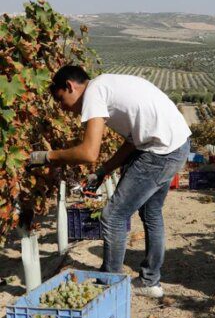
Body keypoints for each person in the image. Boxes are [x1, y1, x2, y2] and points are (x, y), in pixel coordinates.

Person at [29, 65, 191, 298]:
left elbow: (88, 152)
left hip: (160, 152)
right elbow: (133, 141)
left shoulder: (94, 92)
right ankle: (150, 282)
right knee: (151, 213)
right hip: (176, 143)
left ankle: (110, 284)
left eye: (61, 99)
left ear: (70, 86)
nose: (64, 109)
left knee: (113, 216)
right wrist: (105, 170)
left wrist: (48, 156)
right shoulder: (108, 86)